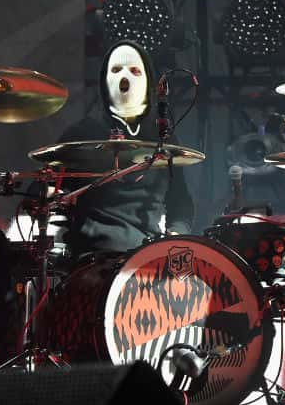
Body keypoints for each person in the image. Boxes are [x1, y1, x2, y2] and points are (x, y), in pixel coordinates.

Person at [54, 40, 194, 255]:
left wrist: (175, 235)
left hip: (146, 254)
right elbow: (50, 193)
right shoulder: (80, 135)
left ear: (149, 81)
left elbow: (180, 202)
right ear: (104, 80)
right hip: (91, 255)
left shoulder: (163, 138)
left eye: (134, 70)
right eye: (117, 70)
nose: (124, 77)